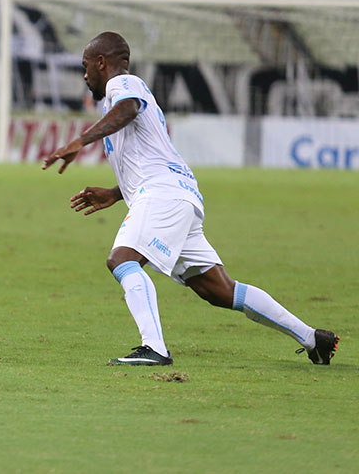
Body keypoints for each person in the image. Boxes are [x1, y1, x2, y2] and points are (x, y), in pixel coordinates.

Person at [42, 31, 338, 366]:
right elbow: (148, 157)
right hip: (175, 193)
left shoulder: (122, 85)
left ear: (101, 62)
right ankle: (313, 338)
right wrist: (114, 193)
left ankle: (154, 348)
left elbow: (128, 109)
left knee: (121, 260)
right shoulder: (123, 96)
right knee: (220, 290)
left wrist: (80, 142)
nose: (84, 75)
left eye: (85, 66)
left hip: (164, 196)